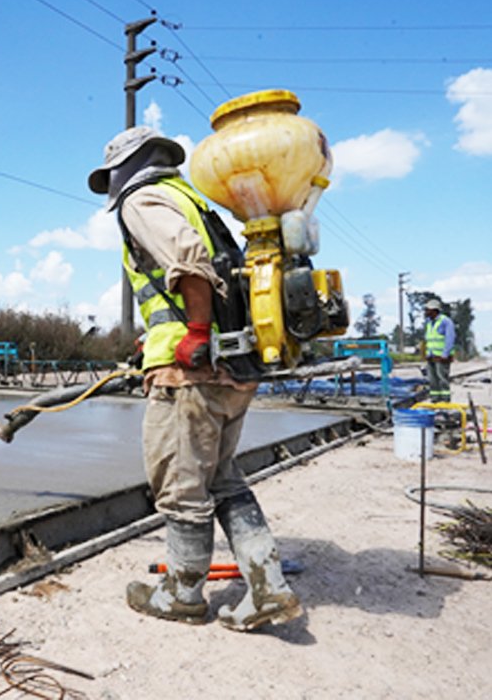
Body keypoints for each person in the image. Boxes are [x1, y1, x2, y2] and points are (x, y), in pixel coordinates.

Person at [87, 126, 302, 631]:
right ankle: (269, 586)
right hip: (233, 368)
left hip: (192, 372)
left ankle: (182, 593)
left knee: (180, 485)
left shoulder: (142, 200)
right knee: (223, 480)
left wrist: (196, 333)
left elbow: (190, 262)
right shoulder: (194, 200)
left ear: (127, 167)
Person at [423, 298, 455, 403]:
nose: (426, 312)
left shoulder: (445, 321)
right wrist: (428, 353)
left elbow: (449, 339)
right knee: (432, 379)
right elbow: (429, 339)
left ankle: (445, 400)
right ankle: (435, 399)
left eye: (428, 310)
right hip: (431, 356)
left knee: (442, 379)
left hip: (442, 357)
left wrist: (445, 354)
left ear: (434, 310)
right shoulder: (428, 322)